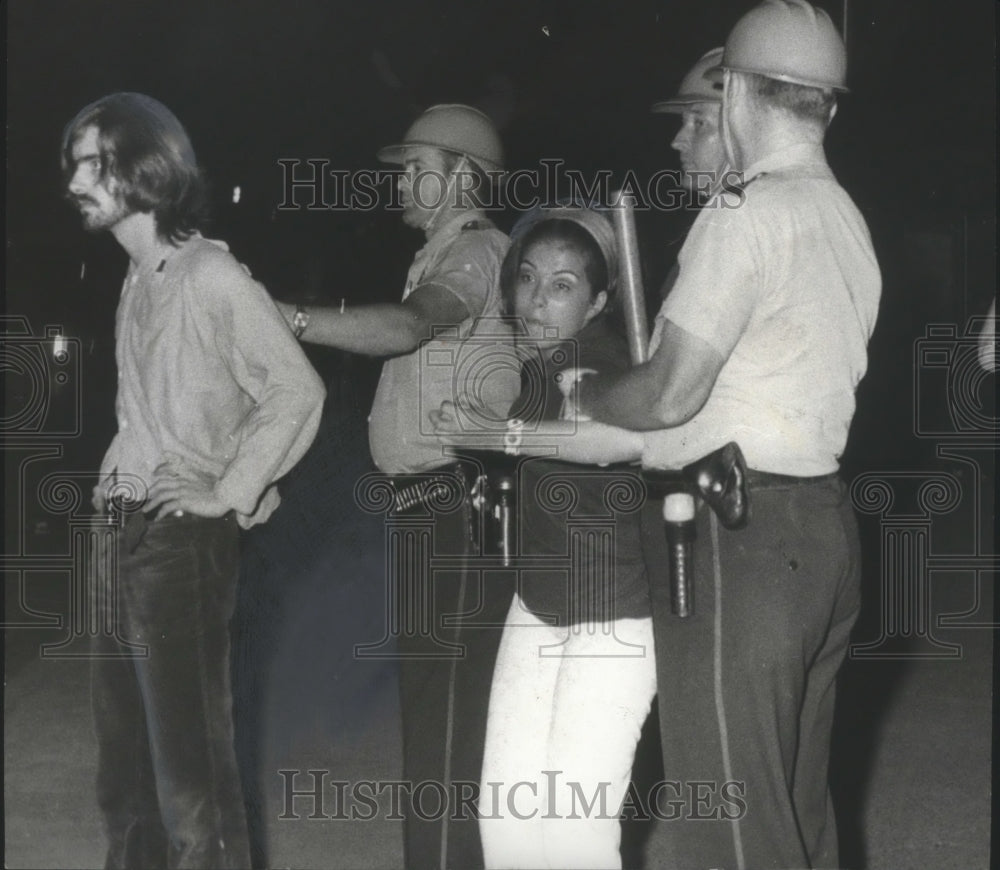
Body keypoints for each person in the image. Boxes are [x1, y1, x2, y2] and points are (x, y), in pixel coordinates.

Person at [573, 2, 882, 866]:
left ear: (737, 89)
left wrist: (589, 395)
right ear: (829, 106)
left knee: (724, 825)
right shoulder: (845, 217)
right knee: (794, 807)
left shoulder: (746, 213)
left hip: (736, 534)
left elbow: (670, 394)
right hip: (821, 530)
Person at [63, 92, 326, 868]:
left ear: (142, 169)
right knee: (125, 775)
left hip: (182, 544)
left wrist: (227, 490)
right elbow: (151, 407)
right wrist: (117, 476)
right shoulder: (142, 279)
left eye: (91, 162)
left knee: (191, 776)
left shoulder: (210, 274)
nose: (73, 180)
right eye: (73, 162)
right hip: (124, 530)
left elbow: (296, 389)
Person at [276, 104, 519, 869]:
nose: (400, 183)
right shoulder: (443, 253)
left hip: (457, 512)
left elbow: (409, 328)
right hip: (434, 514)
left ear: (462, 180)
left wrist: (291, 320)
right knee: (436, 723)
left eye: (417, 168)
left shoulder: (477, 252)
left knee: (445, 729)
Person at [432, 207, 655, 868]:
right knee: (506, 816)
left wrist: (489, 434)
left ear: (600, 301)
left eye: (561, 285)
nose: (535, 299)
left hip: (610, 621)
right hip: (538, 607)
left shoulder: (595, 359)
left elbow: (613, 437)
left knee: (574, 830)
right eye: (527, 279)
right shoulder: (541, 368)